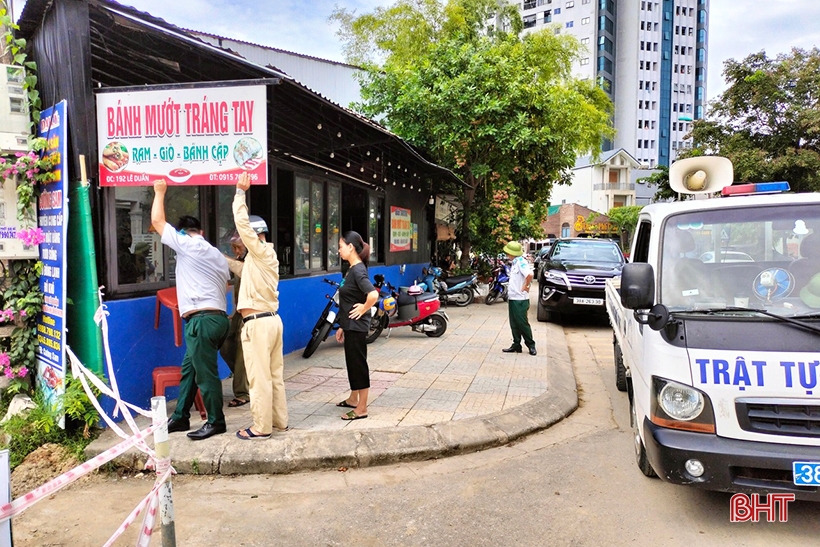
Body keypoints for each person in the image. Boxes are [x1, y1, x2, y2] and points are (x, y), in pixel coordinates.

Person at [151, 179, 230, 441]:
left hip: (201, 321)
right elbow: (227, 286)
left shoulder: (187, 244)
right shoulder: (216, 254)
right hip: (218, 319)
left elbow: (158, 223)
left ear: (184, 233)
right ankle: (180, 416)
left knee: (206, 374)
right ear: (203, 231)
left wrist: (159, 192)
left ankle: (216, 422)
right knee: (190, 369)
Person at [232, 172, 287, 440]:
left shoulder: (260, 251)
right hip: (272, 321)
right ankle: (279, 422)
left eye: (242, 241)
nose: (239, 245)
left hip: (259, 324)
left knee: (259, 378)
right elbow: (242, 270)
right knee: (274, 376)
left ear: (254, 236)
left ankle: (261, 427)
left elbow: (243, 225)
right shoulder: (264, 257)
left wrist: (240, 193)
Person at [335, 231, 379, 420]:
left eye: (341, 246)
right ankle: (354, 398)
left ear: (351, 247)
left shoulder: (359, 270)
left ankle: (362, 408)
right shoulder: (351, 269)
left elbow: (372, 295)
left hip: (357, 326)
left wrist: (363, 309)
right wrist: (343, 325)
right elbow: (351, 297)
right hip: (350, 325)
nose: (338, 251)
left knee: (358, 365)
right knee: (352, 364)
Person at [220, 232, 250, 408]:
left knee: (241, 351)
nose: (236, 251)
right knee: (225, 343)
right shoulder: (240, 261)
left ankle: (242, 392)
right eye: (234, 248)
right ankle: (244, 378)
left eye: (239, 247)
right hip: (238, 311)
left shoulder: (253, 262)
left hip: (251, 312)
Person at [502, 241, 536, 356]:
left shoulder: (521, 262)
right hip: (513, 297)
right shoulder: (515, 262)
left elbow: (530, 275)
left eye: (508, 253)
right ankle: (516, 344)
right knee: (514, 323)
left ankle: (531, 345)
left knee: (522, 323)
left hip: (520, 299)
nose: (507, 255)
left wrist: (526, 286)